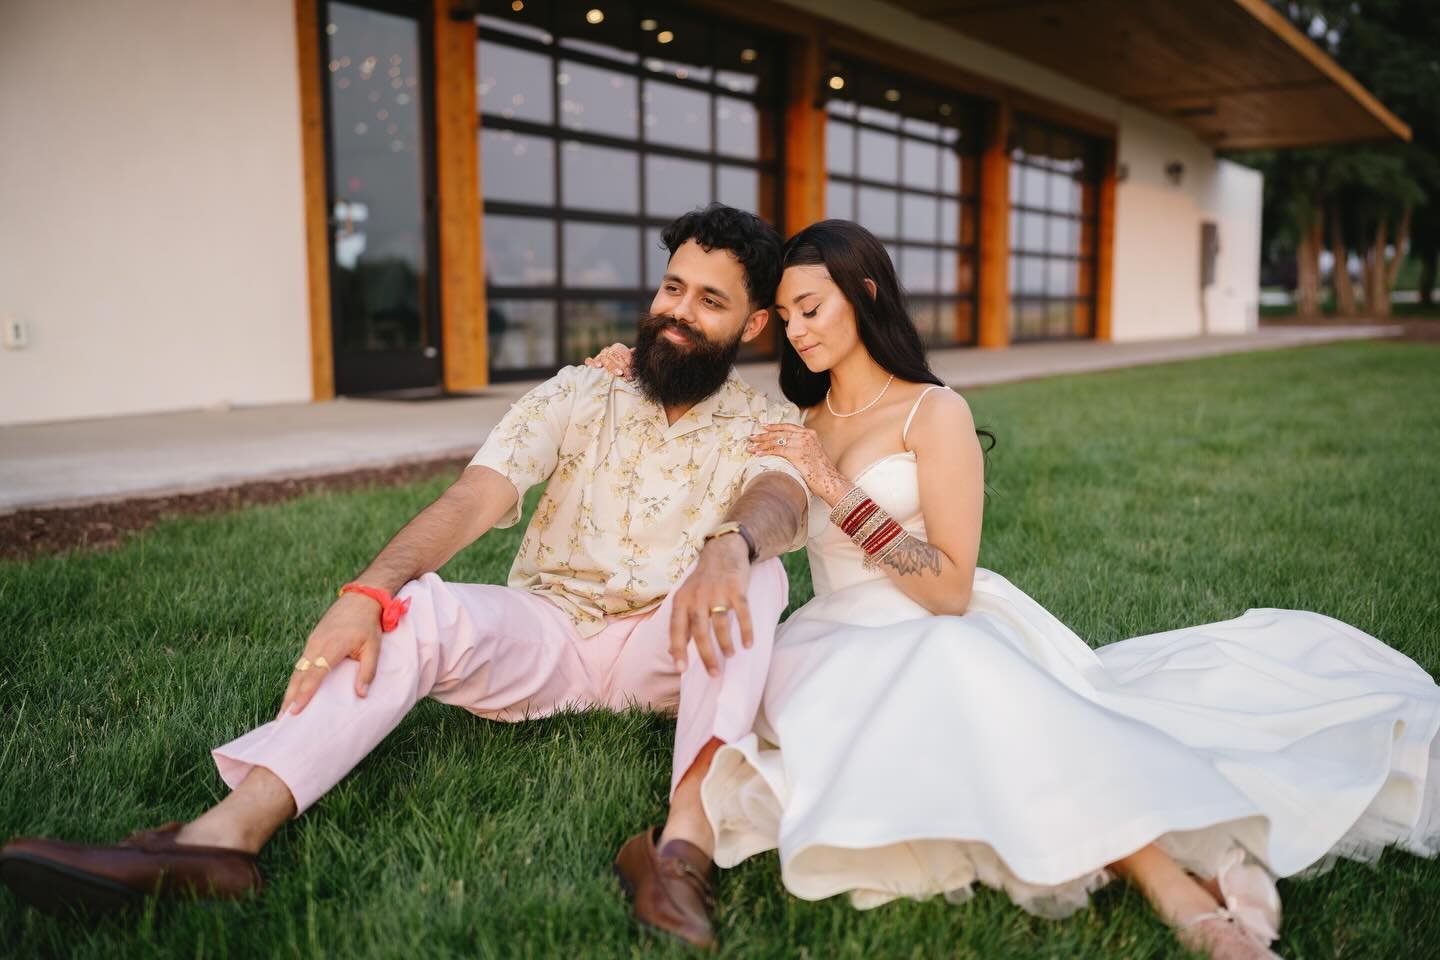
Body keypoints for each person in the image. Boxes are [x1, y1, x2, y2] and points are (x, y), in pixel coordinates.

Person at [586, 220, 1440, 960]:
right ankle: (1175, 882)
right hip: (830, 637)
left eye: (816, 309)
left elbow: (951, 589)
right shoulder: (800, 422)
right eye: (790, 315)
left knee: (970, 677)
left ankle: (1181, 895)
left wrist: (837, 490)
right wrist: (623, 375)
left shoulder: (934, 412)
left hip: (935, 620)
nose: (799, 331)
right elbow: (702, 420)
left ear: (865, 294)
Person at [0, 204, 811, 950]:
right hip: (551, 632)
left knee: (758, 578)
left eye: (710, 300)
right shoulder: (582, 388)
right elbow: (473, 497)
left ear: (754, 321)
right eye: (673, 286)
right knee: (412, 607)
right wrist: (366, 593)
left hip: (663, 649)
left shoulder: (767, 422)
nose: (679, 310)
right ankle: (222, 840)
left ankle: (678, 850)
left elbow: (780, 497)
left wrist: (732, 543)